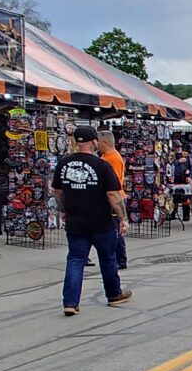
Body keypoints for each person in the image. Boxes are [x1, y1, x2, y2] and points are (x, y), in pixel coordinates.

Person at [51, 126, 132, 316]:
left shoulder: (64, 163)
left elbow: (57, 191)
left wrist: (63, 210)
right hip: (101, 222)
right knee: (107, 258)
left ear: (76, 142)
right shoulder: (102, 165)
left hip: (76, 221)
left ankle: (70, 302)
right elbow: (113, 194)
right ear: (94, 142)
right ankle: (113, 294)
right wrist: (123, 218)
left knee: (75, 260)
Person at [96, 131, 128, 270]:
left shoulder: (112, 158)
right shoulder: (106, 157)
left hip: (115, 198)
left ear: (105, 142)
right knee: (112, 229)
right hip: (113, 198)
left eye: (98, 141)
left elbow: (114, 183)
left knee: (116, 230)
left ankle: (120, 260)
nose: (96, 144)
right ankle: (117, 258)